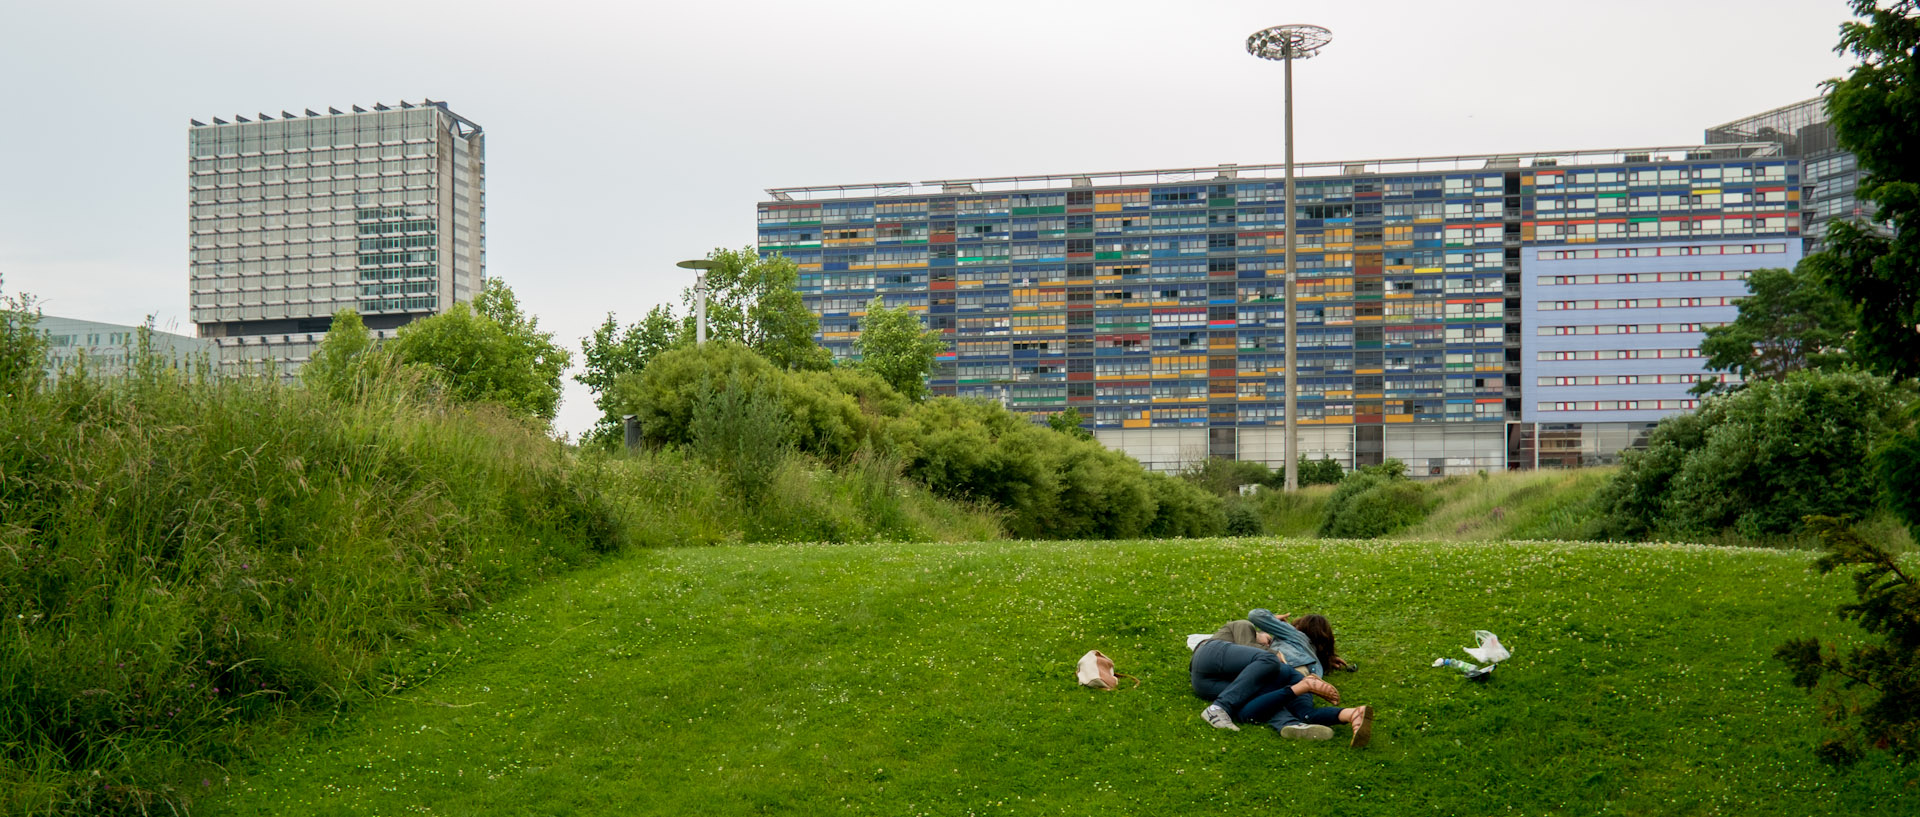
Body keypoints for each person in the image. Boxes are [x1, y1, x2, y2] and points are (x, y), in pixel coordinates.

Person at [1190, 616, 1376, 747]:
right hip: (1208, 658)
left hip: (1208, 683)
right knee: (1268, 660)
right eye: (1269, 639)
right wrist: (1273, 648)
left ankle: (1351, 714)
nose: (1268, 643)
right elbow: (1249, 644)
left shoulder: (1261, 669)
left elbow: (1249, 711)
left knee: (1252, 710)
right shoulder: (1243, 626)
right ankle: (1217, 709)